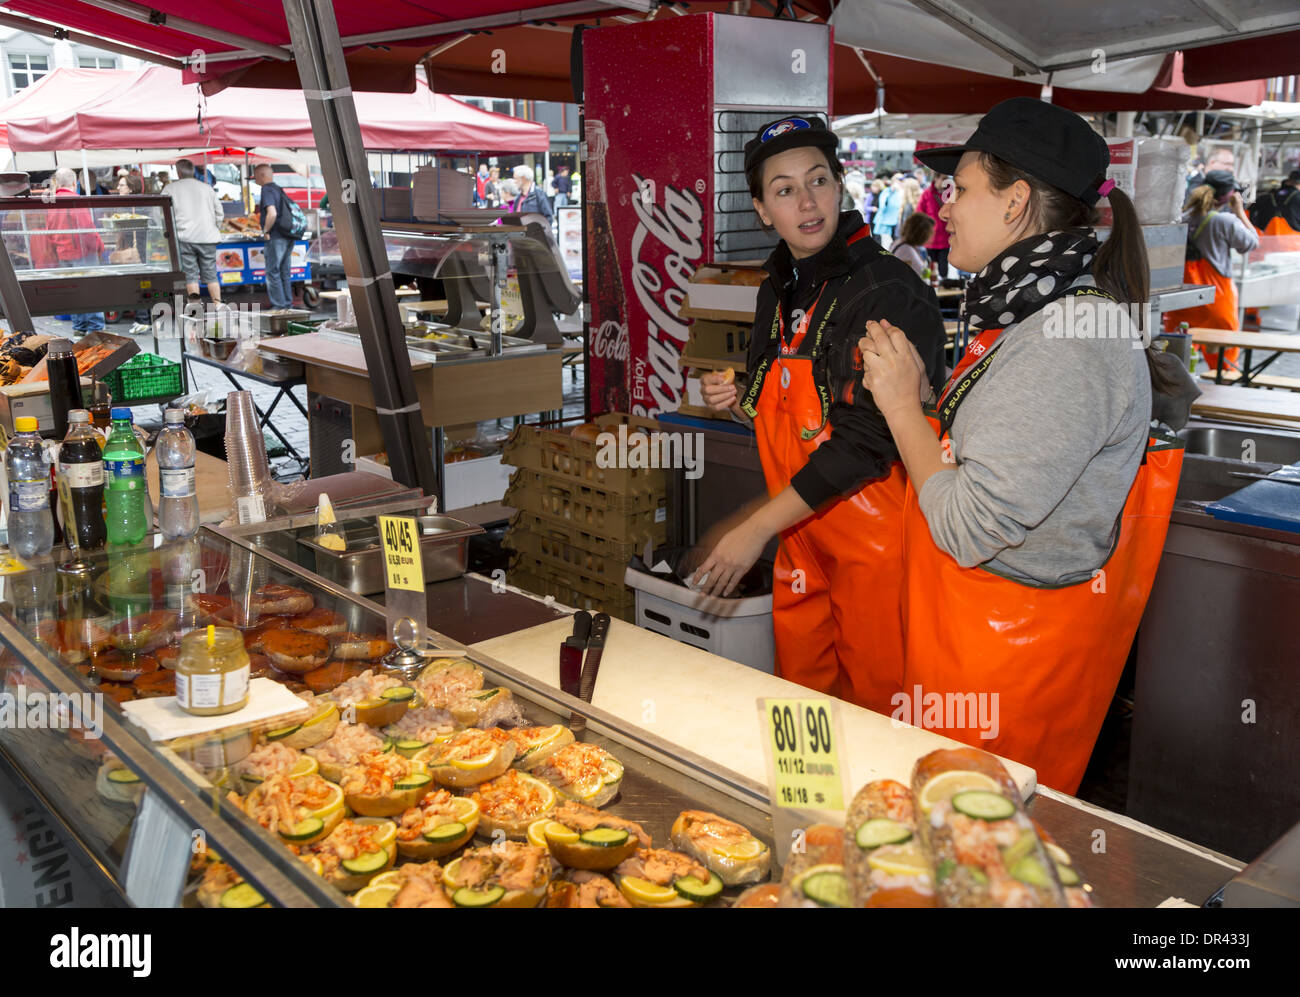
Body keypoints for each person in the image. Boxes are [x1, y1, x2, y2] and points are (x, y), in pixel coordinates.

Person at [857, 97, 1185, 793]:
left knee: (983, 863)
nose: (943, 207)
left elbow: (970, 523)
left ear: (1015, 203)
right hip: (966, 642)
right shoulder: (1024, 311)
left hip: (1007, 663)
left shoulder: (1067, 342)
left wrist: (899, 405)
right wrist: (916, 398)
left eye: (961, 189)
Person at [693, 115, 947, 712]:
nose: (807, 202)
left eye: (819, 181)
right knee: (803, 708)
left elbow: (866, 441)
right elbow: (777, 410)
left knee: (882, 715)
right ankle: (808, 810)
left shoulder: (887, 290)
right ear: (761, 209)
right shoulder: (776, 289)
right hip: (801, 538)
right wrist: (734, 404)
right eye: (784, 190)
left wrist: (755, 527)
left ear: (841, 186)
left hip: (878, 551)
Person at [1161, 169, 1258, 371]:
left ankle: (1182, 396)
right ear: (1229, 196)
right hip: (1216, 299)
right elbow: (1251, 243)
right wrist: (1240, 212)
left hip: (1181, 299)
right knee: (1223, 360)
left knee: (1179, 356)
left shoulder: (1180, 219)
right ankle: (1220, 393)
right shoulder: (1225, 221)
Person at [42, 167, 105, 334]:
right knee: (91, 289)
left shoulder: (52, 202)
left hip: (63, 253)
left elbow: (49, 230)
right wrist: (99, 246)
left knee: (74, 291)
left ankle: (79, 328)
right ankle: (95, 330)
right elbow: (86, 229)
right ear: (74, 182)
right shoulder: (75, 199)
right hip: (82, 253)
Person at [164, 158, 225, 305]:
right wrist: (214, 227)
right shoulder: (207, 188)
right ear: (193, 171)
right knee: (211, 275)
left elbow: (163, 213)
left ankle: (195, 307)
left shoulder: (170, 189)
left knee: (190, 276)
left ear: (178, 172)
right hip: (208, 237)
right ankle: (218, 305)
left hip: (184, 238)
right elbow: (220, 213)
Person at [254, 163, 295, 310]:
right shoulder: (278, 189)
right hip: (287, 235)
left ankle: (279, 306)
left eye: (256, 175)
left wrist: (265, 231)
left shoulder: (267, 190)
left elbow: (272, 213)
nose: (255, 178)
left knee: (273, 272)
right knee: (284, 271)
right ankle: (287, 305)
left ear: (262, 175)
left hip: (276, 236)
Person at [915, 170, 951, 280]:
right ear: (936, 178)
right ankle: (930, 288)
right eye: (943, 178)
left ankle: (944, 287)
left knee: (943, 267)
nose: (946, 181)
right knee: (930, 266)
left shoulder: (951, 193)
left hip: (946, 237)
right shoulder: (927, 193)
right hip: (930, 237)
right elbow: (919, 213)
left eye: (947, 178)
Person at [1249, 169, 1300, 236]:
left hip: (1266, 242)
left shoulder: (1264, 198)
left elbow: (1247, 216)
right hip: (1295, 244)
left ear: (1288, 182)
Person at [890, 213, 935, 279]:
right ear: (922, 234)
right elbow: (923, 274)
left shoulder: (899, 243)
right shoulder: (906, 249)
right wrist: (933, 273)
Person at [871, 172, 903, 243]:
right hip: (884, 223)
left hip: (897, 222)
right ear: (894, 181)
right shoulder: (887, 191)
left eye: (902, 180)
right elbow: (882, 206)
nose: (901, 182)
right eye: (899, 180)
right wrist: (892, 191)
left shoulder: (902, 192)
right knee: (884, 243)